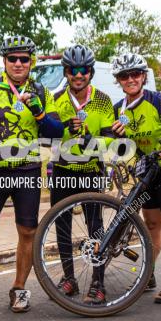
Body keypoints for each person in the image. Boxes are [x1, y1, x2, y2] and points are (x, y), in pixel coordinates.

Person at [0, 35, 63, 313]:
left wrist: (40, 114)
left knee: (27, 231)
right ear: (4, 61)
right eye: (12, 58)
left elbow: (56, 131)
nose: (18, 63)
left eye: (24, 59)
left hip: (27, 170)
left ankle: (19, 288)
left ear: (32, 62)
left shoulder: (41, 90)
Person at [108, 52, 161, 302]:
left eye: (135, 74)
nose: (130, 79)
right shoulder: (117, 109)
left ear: (143, 76)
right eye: (124, 75)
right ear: (118, 80)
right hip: (146, 174)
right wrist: (118, 139)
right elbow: (123, 150)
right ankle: (149, 275)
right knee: (151, 225)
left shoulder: (160, 101)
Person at [49, 44, 116, 304]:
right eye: (73, 70)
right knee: (61, 226)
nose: (79, 75)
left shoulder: (103, 99)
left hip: (91, 170)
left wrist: (92, 140)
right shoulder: (55, 100)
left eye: (84, 70)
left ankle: (98, 283)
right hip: (63, 170)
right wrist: (63, 128)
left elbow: (111, 139)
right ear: (66, 72)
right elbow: (47, 137)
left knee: (95, 227)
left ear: (90, 72)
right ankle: (69, 279)